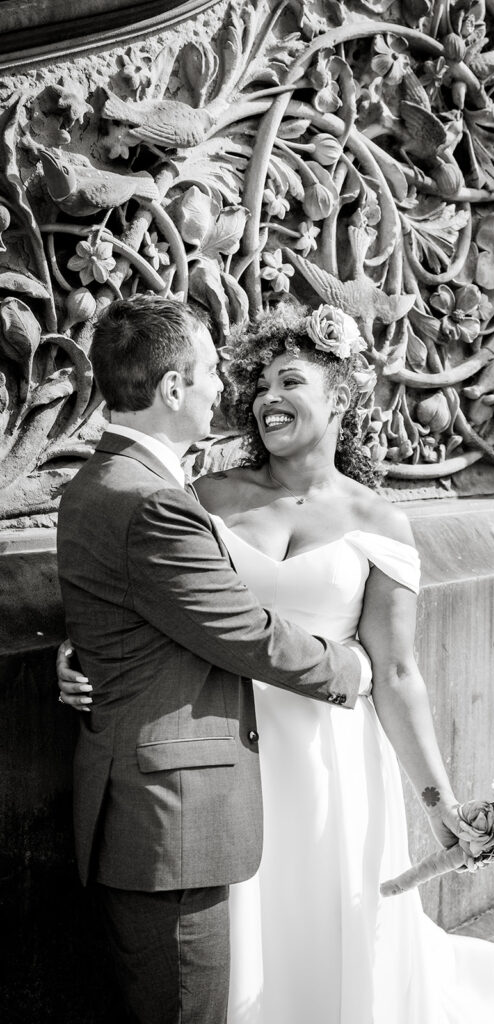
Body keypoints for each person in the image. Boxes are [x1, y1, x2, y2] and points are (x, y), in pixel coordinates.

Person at [59, 301, 494, 1024]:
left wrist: (440, 803)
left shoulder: (380, 523)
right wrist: (85, 650)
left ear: (341, 396)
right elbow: (154, 590)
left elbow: (397, 671)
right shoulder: (202, 497)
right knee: (234, 952)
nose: (264, 398)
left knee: (327, 940)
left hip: (328, 759)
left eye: (290, 382)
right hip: (220, 753)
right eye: (257, 384)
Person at [56, 295, 389, 1024]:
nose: (226, 390)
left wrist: (82, 649)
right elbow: (239, 629)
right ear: (173, 388)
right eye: (212, 371)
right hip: (172, 814)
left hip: (165, 793)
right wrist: (353, 671)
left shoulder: (104, 481)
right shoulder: (154, 501)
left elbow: (131, 601)